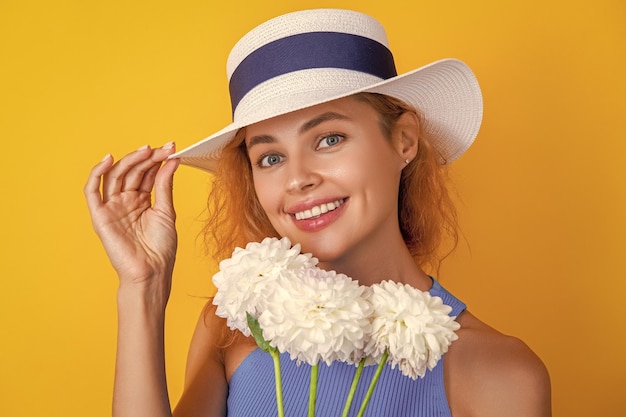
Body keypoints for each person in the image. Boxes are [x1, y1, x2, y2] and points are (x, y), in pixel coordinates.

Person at [84, 8, 551, 417]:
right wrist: (141, 288)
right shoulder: (235, 328)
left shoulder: (497, 371)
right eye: (269, 157)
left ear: (404, 140)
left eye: (329, 139)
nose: (297, 179)